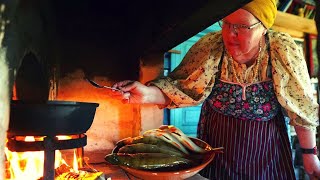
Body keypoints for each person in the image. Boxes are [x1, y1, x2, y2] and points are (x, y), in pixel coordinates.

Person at [112, 0, 320, 178]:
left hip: (266, 151)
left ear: (264, 27)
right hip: (218, 147)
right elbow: (180, 88)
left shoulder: (280, 50)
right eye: (226, 23)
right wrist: (145, 94)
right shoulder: (211, 47)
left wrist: (310, 155)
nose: (231, 34)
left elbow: (300, 107)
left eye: (242, 26)